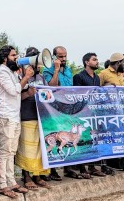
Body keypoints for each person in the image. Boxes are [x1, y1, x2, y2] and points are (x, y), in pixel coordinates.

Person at [0, 46, 31, 197]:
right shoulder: (1, 71)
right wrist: (26, 77)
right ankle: (2, 183)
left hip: (14, 116)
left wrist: (25, 77)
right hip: (5, 116)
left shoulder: (12, 72)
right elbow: (13, 90)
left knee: (12, 151)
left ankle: (11, 181)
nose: (16, 57)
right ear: (4, 58)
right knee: (5, 150)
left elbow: (22, 87)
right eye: (13, 55)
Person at [15, 47, 52, 190]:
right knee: (27, 148)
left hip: (40, 116)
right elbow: (17, 96)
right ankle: (27, 176)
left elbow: (48, 94)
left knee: (39, 148)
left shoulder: (41, 77)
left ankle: (38, 176)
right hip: (26, 116)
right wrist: (28, 93)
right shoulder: (20, 76)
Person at [71, 53, 111, 178]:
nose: (97, 61)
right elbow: (78, 95)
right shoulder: (79, 77)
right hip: (83, 113)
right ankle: (82, 167)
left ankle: (92, 167)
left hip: (94, 113)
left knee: (94, 139)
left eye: (97, 59)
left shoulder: (97, 78)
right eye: (94, 60)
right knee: (85, 139)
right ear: (86, 62)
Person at [42, 46, 72, 181]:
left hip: (67, 108)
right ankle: (52, 169)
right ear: (54, 57)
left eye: (65, 56)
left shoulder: (69, 70)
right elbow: (51, 86)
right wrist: (56, 70)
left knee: (66, 136)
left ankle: (68, 167)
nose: (63, 59)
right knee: (55, 136)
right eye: (60, 57)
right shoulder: (47, 70)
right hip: (53, 109)